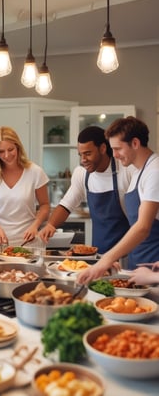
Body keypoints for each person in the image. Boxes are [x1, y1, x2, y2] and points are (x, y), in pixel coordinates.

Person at [78, 116, 159, 284]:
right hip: (138, 264)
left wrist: (106, 259)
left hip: (153, 266)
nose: (113, 154)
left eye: (117, 149)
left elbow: (143, 227)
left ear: (135, 143)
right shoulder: (138, 172)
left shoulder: (155, 172)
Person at [39, 126, 133, 254]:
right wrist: (51, 225)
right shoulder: (82, 174)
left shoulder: (125, 171)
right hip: (98, 252)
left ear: (103, 148)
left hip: (127, 251)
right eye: (80, 155)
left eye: (88, 154)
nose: (83, 160)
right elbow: (66, 204)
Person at [0, 126, 50, 246]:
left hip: (29, 241)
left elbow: (45, 205)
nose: (6, 155)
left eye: (10, 149)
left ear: (18, 147)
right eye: (1, 151)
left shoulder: (35, 172)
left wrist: (35, 226)